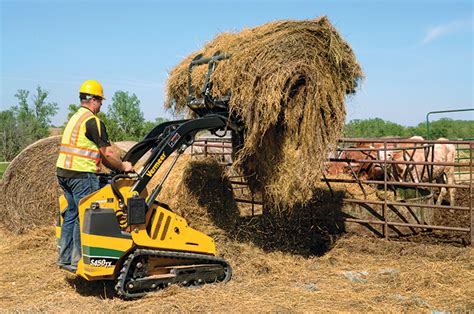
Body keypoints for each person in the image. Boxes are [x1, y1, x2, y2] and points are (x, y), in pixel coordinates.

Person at [56, 80, 133, 271]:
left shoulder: (75, 118)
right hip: (81, 175)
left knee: (72, 214)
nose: (101, 105)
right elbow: (107, 153)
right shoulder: (93, 121)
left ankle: (65, 258)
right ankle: (78, 261)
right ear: (93, 100)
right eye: (100, 101)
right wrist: (123, 166)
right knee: (86, 216)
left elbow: (91, 152)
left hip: (64, 174)